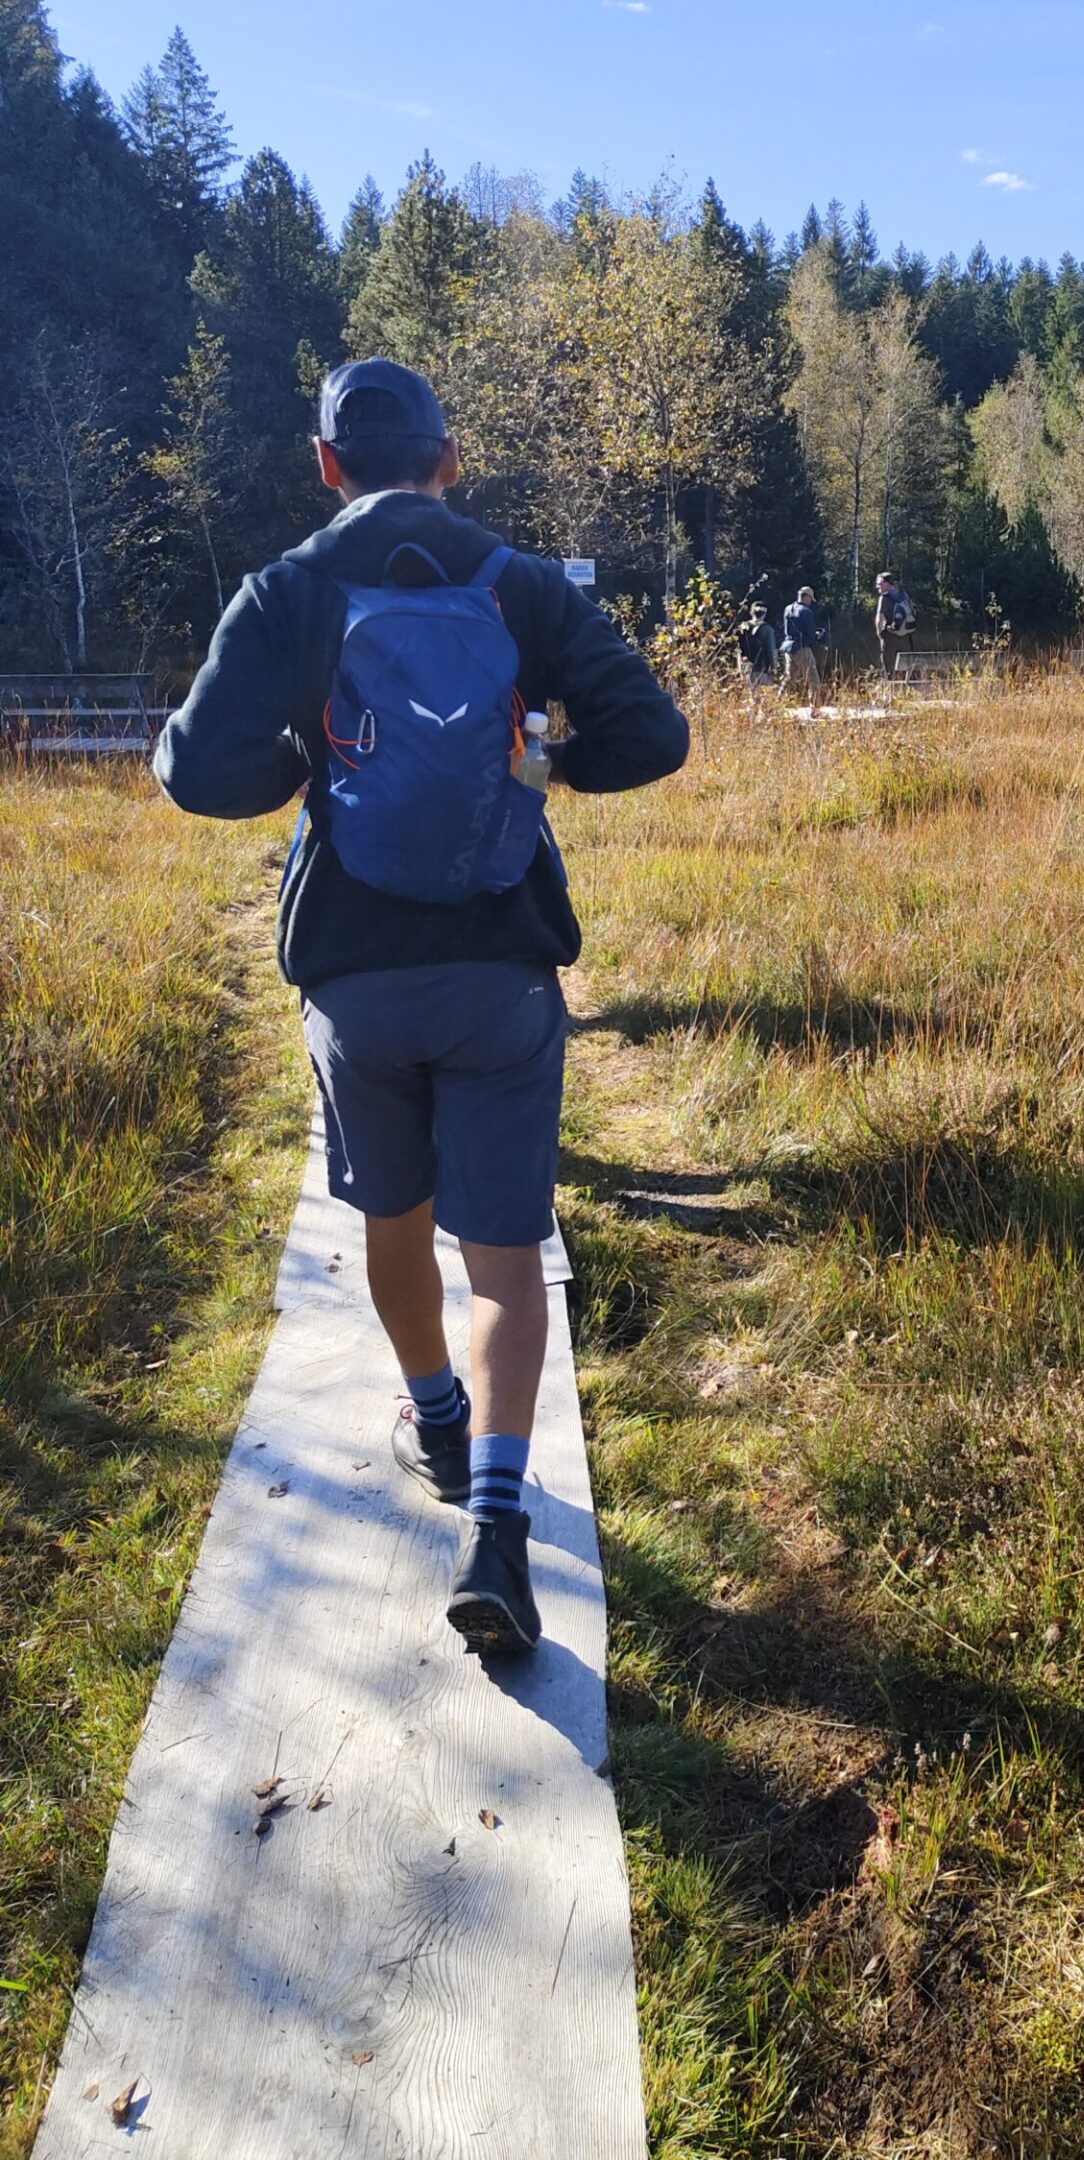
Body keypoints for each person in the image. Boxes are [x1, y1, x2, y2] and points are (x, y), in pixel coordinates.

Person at [153, 357, 688, 1661]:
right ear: (450, 460)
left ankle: (438, 1424)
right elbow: (653, 737)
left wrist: (308, 755)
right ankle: (495, 1527)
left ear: (326, 465)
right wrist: (539, 754)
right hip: (501, 967)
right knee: (505, 1256)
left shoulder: (285, 590)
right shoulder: (521, 585)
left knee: (393, 1221)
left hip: (355, 973)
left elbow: (195, 771)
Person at [781, 584, 826, 706]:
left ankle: (777, 702)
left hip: (788, 647)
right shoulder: (806, 611)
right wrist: (817, 637)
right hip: (802, 648)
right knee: (813, 679)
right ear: (806, 597)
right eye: (810, 599)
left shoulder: (788, 609)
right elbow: (810, 633)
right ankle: (815, 707)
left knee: (789, 678)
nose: (810, 602)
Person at [874, 571, 915, 678]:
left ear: (887, 583)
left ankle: (890, 686)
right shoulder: (903, 595)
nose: (877, 586)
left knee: (889, 670)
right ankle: (906, 685)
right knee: (907, 670)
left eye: (880, 583)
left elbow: (879, 618)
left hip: (890, 636)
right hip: (906, 636)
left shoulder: (885, 597)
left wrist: (880, 634)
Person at [736, 600, 778, 692]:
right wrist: (774, 668)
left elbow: (738, 650)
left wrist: (740, 669)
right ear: (764, 614)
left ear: (751, 612)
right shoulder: (767, 629)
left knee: (752, 696)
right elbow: (771, 651)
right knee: (766, 696)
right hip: (762, 670)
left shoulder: (743, 627)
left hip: (747, 669)